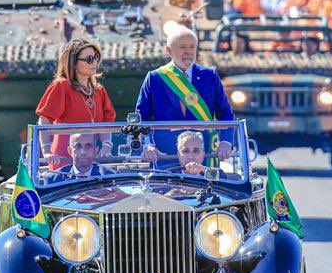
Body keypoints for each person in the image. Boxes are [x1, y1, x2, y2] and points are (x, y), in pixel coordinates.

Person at [136, 25, 236, 160]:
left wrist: (226, 142)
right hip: (165, 156)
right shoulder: (155, 78)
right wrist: (147, 144)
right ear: (169, 51)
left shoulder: (210, 75)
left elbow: (226, 114)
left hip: (204, 155)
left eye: (192, 47)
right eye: (182, 47)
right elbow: (141, 117)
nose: (188, 52)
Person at [36, 38, 117, 169]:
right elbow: (44, 120)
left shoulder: (99, 90)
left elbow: (105, 124)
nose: (95, 62)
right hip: (64, 158)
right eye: (89, 59)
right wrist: (46, 151)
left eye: (96, 58)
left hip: (91, 159)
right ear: (73, 63)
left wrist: (106, 145)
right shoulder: (61, 86)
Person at [47, 133, 112, 182]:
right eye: (78, 146)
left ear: (96, 151)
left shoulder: (110, 177)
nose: (83, 152)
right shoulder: (53, 180)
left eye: (88, 146)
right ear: (70, 151)